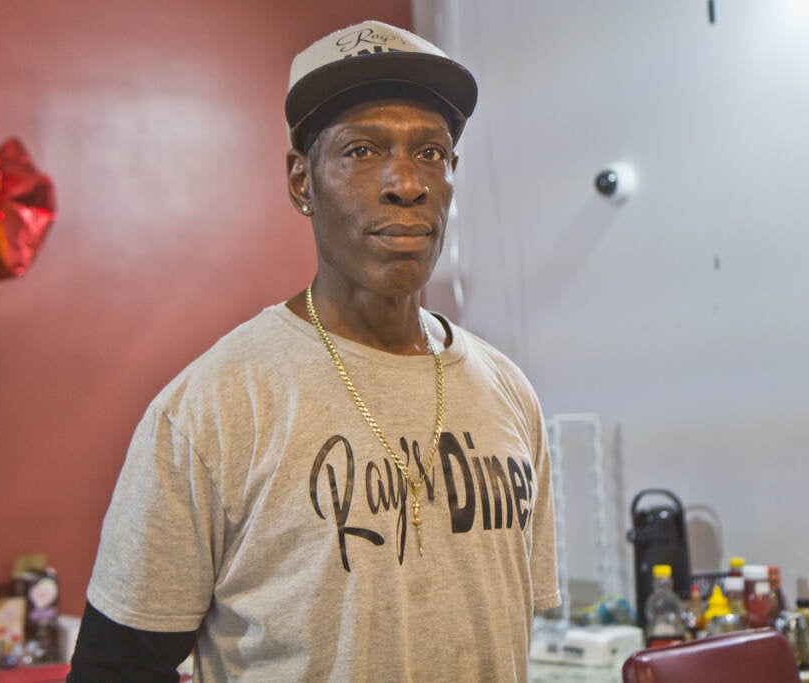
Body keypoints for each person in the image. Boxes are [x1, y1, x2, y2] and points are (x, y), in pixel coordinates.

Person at [68, 19, 560, 682]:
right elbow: (113, 670)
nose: (406, 183)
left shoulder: (509, 393)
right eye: (362, 151)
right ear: (302, 182)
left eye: (432, 154)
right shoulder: (213, 406)